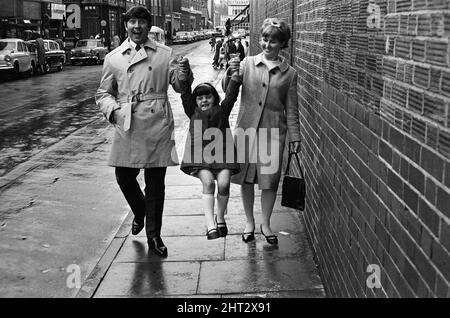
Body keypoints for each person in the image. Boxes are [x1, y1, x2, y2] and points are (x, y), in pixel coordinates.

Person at [95, 6, 193, 257]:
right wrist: (114, 112)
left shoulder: (164, 54)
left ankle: (154, 235)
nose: (137, 26)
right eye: (132, 22)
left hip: (156, 120)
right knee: (124, 177)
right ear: (125, 25)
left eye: (142, 22)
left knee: (155, 183)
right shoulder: (114, 57)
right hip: (127, 121)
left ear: (149, 26)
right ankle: (140, 211)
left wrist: (185, 74)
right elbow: (103, 93)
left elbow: (181, 87)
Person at [222, 18, 301, 245]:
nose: (267, 45)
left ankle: (265, 224)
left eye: (273, 41)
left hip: (273, 133)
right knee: (246, 178)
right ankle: (249, 222)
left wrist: (295, 136)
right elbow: (227, 90)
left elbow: (292, 109)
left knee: (269, 181)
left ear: (282, 44)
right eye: (264, 39)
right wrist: (231, 73)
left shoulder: (289, 74)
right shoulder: (246, 64)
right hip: (246, 130)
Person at [178, 57, 242, 240]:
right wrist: (183, 74)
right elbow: (184, 92)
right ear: (195, 101)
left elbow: (231, 94)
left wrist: (235, 76)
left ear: (215, 98)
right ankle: (210, 225)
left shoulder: (223, 111)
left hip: (222, 156)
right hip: (200, 157)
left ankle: (220, 218)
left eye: (208, 96)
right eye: (200, 98)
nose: (204, 100)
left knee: (223, 184)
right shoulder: (192, 111)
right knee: (208, 183)